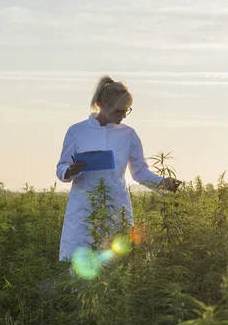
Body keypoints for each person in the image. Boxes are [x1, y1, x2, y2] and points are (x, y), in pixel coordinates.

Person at [56, 75, 179, 261]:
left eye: (126, 111)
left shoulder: (128, 135)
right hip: (83, 208)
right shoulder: (77, 131)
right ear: (102, 105)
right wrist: (69, 170)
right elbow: (61, 168)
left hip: (116, 206)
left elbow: (139, 172)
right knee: (78, 261)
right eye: (119, 111)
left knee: (116, 262)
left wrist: (162, 182)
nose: (123, 115)